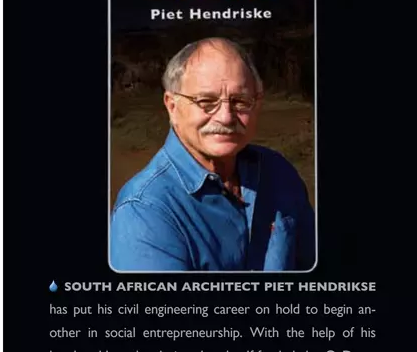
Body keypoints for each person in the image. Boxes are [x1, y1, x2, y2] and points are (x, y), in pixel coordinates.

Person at [110, 37, 314, 272]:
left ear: (257, 103)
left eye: (240, 101)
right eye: (206, 101)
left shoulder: (278, 172)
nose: (226, 117)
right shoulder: (145, 211)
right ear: (172, 106)